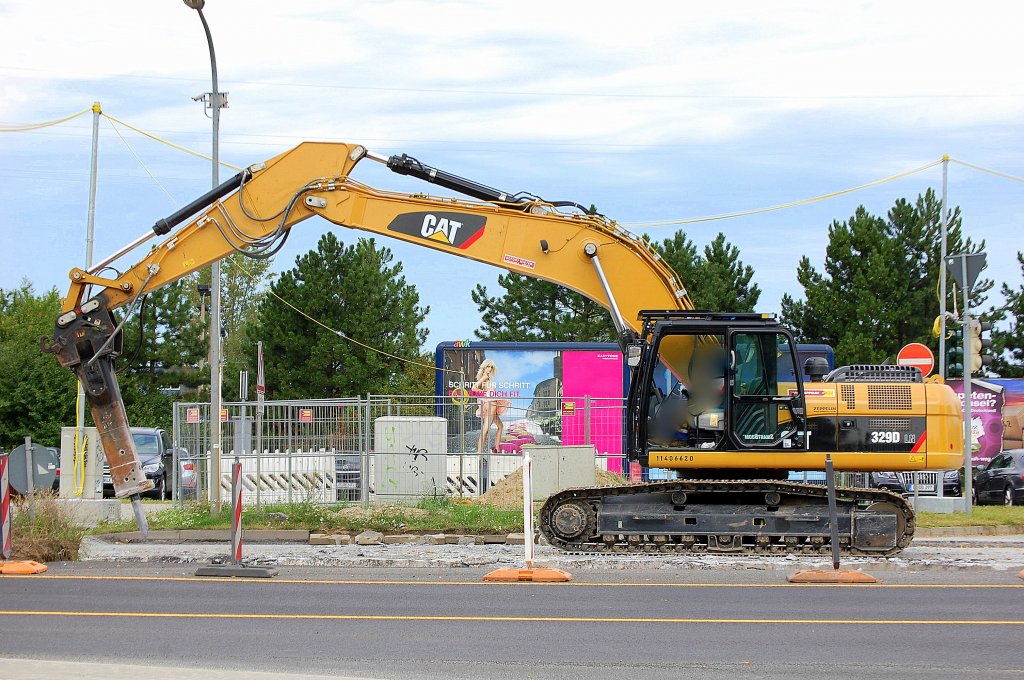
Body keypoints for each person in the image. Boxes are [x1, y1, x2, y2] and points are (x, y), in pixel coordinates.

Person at [471, 359, 509, 452]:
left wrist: (486, 393)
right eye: (488, 366)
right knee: (485, 430)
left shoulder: (486, 377)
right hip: (491, 404)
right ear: (484, 367)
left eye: (491, 367)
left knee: (500, 426)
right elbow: (474, 388)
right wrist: (484, 392)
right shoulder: (485, 377)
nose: (490, 368)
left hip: (491, 403)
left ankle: (497, 449)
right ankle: (479, 453)